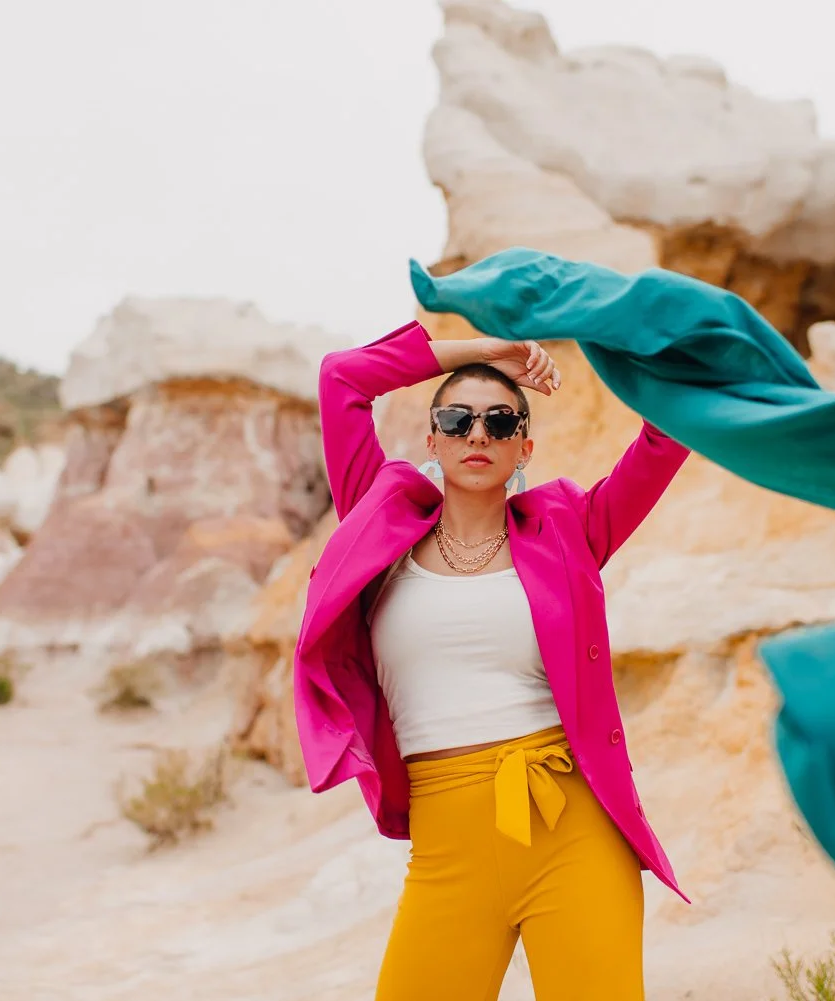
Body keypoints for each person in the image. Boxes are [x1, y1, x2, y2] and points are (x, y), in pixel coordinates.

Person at [293, 319, 691, 1001]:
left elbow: (665, 440)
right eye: (459, 417)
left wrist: (632, 334)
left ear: (524, 446)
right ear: (433, 438)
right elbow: (342, 378)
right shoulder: (376, 523)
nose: (479, 434)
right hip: (447, 848)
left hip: (575, 832)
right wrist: (488, 353)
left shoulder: (570, 529)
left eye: (501, 421)